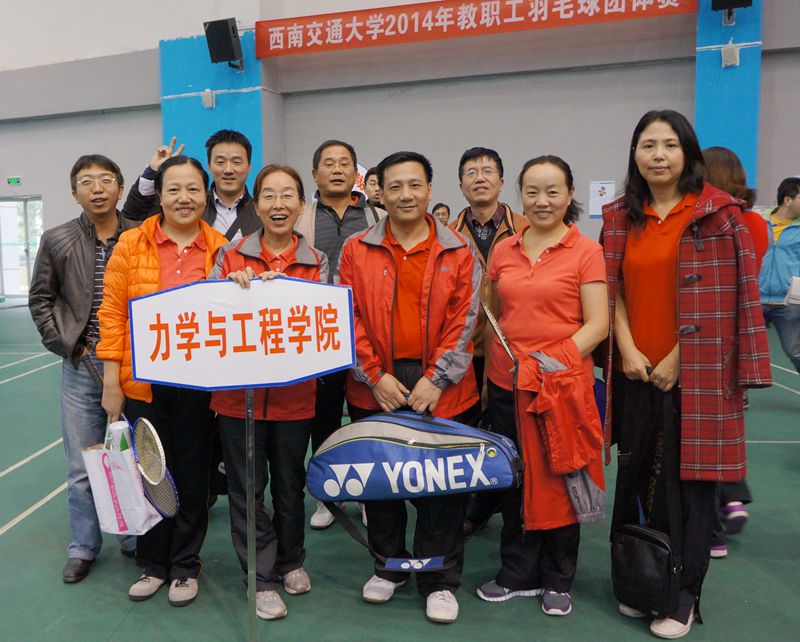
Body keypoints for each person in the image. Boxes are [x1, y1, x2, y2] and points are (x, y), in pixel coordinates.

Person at [601, 110, 771, 639]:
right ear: (634, 154)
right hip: (635, 371)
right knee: (637, 482)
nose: (658, 155)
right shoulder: (620, 217)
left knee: (690, 490)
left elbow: (734, 299)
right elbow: (612, 290)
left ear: (688, 153)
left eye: (669, 144)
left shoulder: (720, 216)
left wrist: (680, 356)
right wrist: (626, 347)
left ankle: (683, 596)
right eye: (647, 144)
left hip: (697, 377)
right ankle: (643, 581)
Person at [336, 151, 480, 624]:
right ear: (379, 192)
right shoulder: (356, 248)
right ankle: (388, 566)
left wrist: (437, 379)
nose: (405, 195)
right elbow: (346, 316)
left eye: (414, 185)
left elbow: (465, 321)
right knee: (381, 482)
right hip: (377, 383)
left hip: (444, 386)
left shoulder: (458, 249)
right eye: (394, 186)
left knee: (442, 487)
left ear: (430, 190)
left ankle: (439, 580)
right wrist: (374, 376)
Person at [475, 156, 608, 617]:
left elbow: (597, 325)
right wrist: (492, 379)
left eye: (553, 191)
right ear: (521, 196)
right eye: (532, 191)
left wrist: (547, 363)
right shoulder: (504, 250)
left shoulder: (585, 251)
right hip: (508, 387)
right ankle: (517, 573)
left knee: (561, 481)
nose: (542, 201)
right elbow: (495, 320)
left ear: (570, 195)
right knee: (515, 481)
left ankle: (558, 577)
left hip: (561, 389)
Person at [98, 156, 227, 606]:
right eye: (174, 189)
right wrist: (111, 381)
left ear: (206, 195)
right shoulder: (131, 243)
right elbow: (112, 314)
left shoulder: (222, 248)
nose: (183, 198)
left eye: (193, 189)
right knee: (150, 474)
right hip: (143, 385)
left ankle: (185, 566)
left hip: (199, 388)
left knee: (192, 477)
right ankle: (153, 563)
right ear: (160, 195)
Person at [209, 164, 328, 621]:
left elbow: (326, 323)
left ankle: (291, 559)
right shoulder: (230, 255)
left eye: (288, 195)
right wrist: (230, 290)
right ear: (256, 205)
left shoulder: (317, 260)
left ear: (301, 204)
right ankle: (261, 577)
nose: (279, 205)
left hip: (295, 398)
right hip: (237, 400)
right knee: (246, 489)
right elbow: (209, 312)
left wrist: (292, 294)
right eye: (269, 196)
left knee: (290, 487)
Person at [28, 155, 138, 583]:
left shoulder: (140, 234)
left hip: (132, 365)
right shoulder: (57, 239)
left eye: (106, 180)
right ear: (75, 193)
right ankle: (84, 546)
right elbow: (41, 298)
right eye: (87, 182)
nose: (97, 188)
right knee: (81, 466)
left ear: (120, 188)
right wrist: (66, 344)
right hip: (82, 364)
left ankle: (133, 537)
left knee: (131, 458)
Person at [294, 139, 386, 529]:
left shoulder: (379, 215)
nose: (336, 169)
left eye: (344, 163)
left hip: (368, 333)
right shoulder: (300, 217)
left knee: (366, 418)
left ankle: (370, 494)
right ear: (315, 173)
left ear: (356, 174)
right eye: (328, 163)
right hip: (320, 337)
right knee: (325, 419)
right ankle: (329, 495)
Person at [450, 147, 528, 537]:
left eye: (487, 171)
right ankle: (471, 506)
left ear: (501, 181)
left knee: (509, 434)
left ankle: (508, 507)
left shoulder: (526, 229)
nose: (479, 178)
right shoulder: (447, 235)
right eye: (471, 172)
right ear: (460, 184)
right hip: (462, 351)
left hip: (512, 352)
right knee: (466, 434)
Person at [702, 146, 768, 558]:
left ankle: (713, 527)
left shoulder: (721, 222)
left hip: (711, 339)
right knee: (726, 432)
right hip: (738, 341)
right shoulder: (756, 223)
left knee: (701, 441)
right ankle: (732, 499)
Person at [122, 130, 260, 241]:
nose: (228, 170)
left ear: (249, 166)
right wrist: (153, 171)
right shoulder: (190, 204)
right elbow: (133, 217)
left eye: (236, 162)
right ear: (209, 166)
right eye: (220, 162)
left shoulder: (262, 211)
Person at [760, 176, 800, 374]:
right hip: (755, 299)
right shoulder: (759, 222)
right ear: (788, 200)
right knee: (743, 351)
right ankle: (738, 391)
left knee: (795, 351)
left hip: (788, 302)